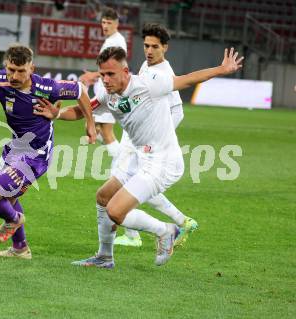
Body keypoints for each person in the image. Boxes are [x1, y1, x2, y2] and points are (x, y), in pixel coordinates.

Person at [34, 46, 243, 268]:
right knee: (103, 197)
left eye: (110, 74)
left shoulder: (149, 83)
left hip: (164, 162)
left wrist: (221, 69)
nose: (105, 79)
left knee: (115, 211)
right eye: (102, 74)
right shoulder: (107, 93)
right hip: (140, 158)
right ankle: (105, 257)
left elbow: (187, 80)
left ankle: (166, 231)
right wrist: (57, 114)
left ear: (126, 72)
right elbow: (83, 110)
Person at [0, 45, 96, 259]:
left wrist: (90, 123)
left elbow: (81, 90)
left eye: (20, 71)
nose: (14, 76)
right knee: (8, 199)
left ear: (31, 69)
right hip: (14, 148)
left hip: (36, 156)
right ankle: (20, 248)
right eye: (10, 69)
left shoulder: (47, 87)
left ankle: (14, 221)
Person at [114, 23, 198, 248]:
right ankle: (181, 221)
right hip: (135, 136)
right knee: (129, 184)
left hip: (145, 142)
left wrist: (155, 136)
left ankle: (136, 236)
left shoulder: (165, 74)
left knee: (126, 183)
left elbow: (177, 110)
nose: (149, 51)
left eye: (155, 47)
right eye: (146, 46)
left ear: (165, 48)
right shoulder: (146, 65)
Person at [79, 7, 126, 166]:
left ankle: (123, 165)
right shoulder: (110, 40)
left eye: (109, 23)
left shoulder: (117, 42)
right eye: (103, 22)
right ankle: (121, 160)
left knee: (105, 132)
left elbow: (115, 69)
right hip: (104, 90)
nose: (105, 26)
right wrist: (95, 76)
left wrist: (94, 75)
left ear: (116, 24)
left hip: (110, 92)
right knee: (93, 126)